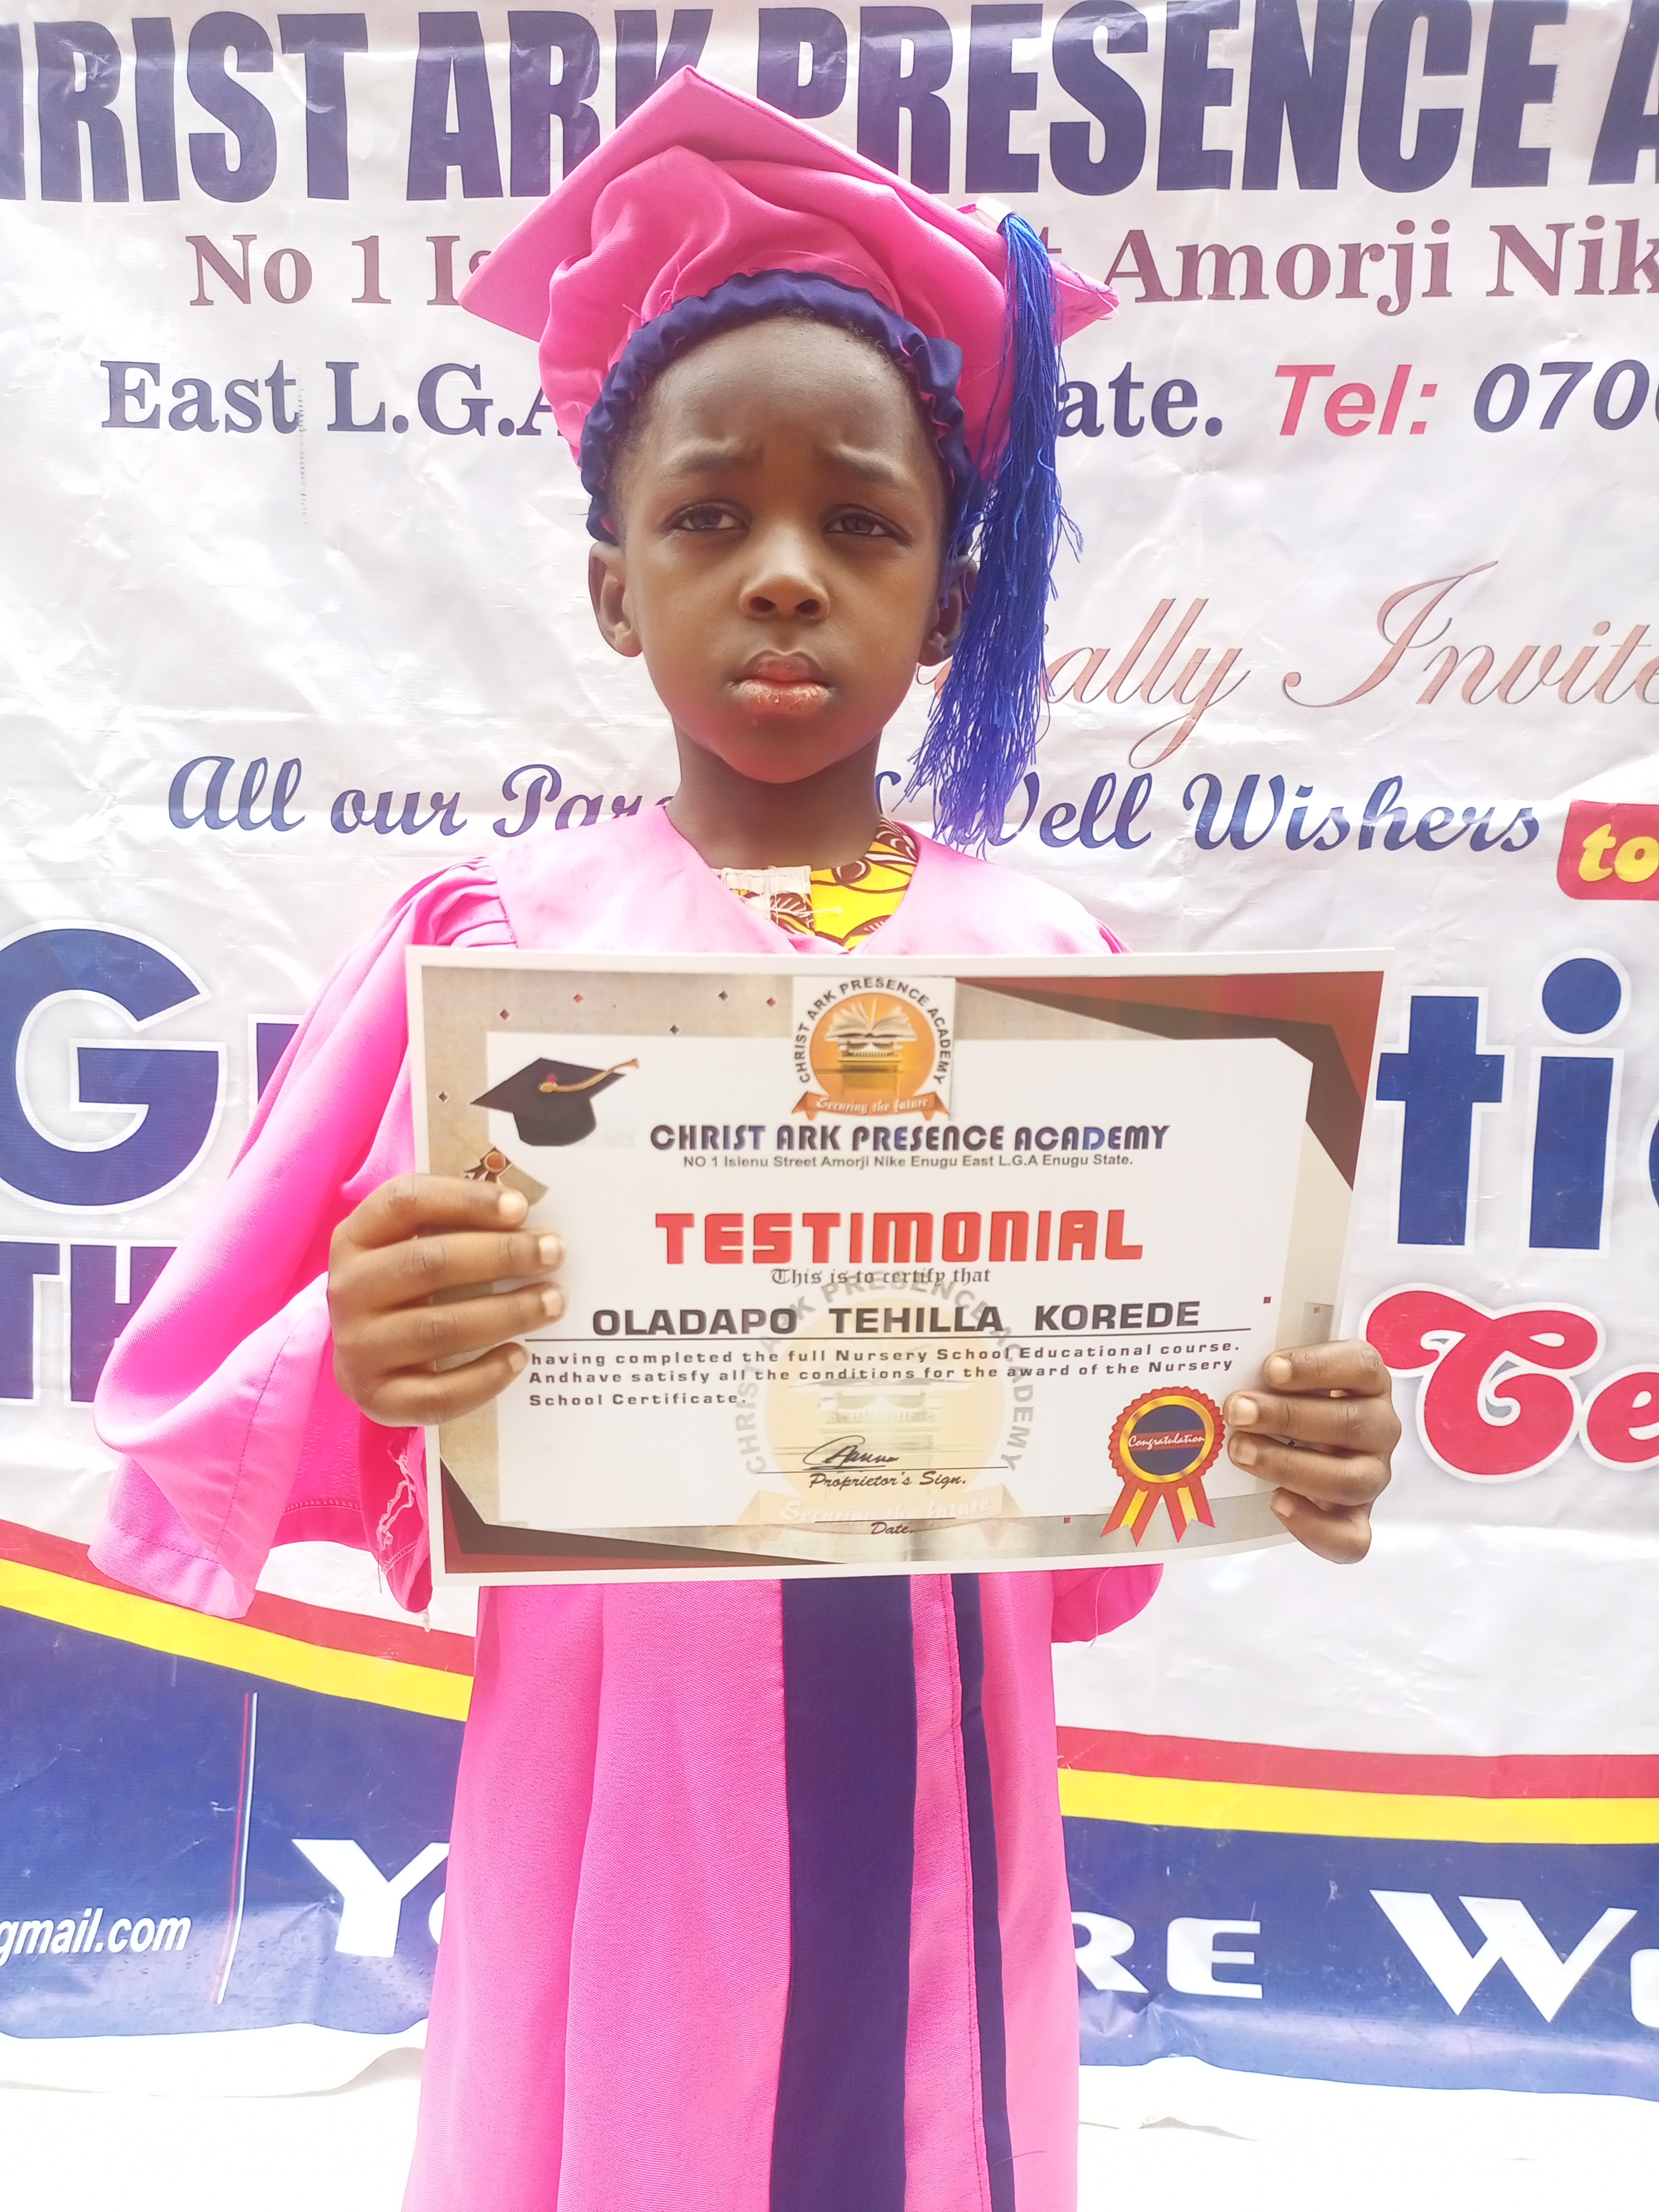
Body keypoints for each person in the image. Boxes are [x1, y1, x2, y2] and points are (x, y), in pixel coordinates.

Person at [92, 69, 1398, 2212]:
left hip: (947, 1724)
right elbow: (256, 1381)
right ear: (616, 588)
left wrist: (1283, 1427)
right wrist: (379, 1338)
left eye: (861, 526)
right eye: (711, 519)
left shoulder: (1051, 972)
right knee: (633, 2117)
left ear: (949, 600)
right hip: (628, 1735)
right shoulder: (508, 952)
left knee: (927, 2109)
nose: (786, 578)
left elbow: (1126, 1427)